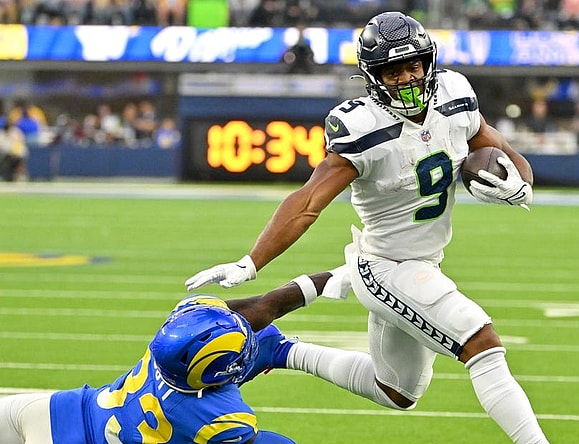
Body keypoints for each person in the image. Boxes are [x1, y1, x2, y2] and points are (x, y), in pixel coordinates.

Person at [185, 11, 548, 444]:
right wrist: (251, 262)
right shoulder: (362, 126)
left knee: (397, 391)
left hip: (425, 260)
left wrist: (521, 183)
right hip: (387, 266)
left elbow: (500, 147)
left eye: (413, 66)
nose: (407, 79)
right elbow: (307, 202)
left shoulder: (454, 95)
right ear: (373, 77)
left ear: (428, 63)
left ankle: (281, 350)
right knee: (482, 343)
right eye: (393, 72)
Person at [0, 294, 302, 444]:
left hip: (48, 409)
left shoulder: (174, 342)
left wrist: (316, 284)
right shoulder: (220, 416)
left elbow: (258, 306)